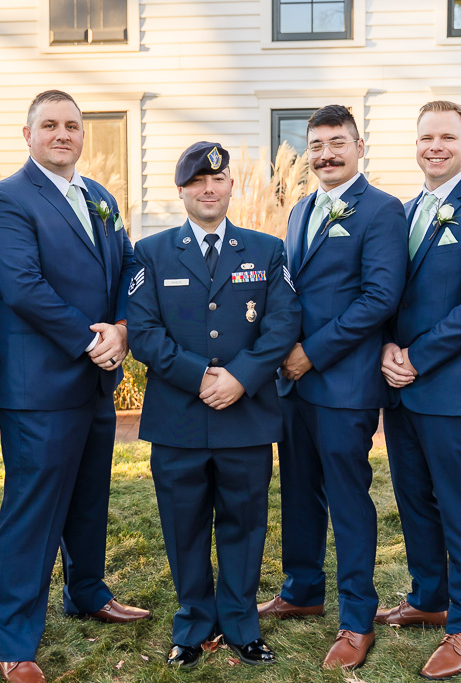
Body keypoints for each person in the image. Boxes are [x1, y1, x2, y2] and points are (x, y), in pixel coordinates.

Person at [0, 90, 146, 683]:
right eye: (49, 125)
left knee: (89, 496)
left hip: (97, 376)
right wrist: (89, 339)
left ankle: (88, 592)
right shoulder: (4, 201)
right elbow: (22, 286)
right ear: (27, 135)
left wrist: (123, 328)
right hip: (39, 384)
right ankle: (15, 640)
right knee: (34, 510)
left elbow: (129, 268)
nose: (62, 134)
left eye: (72, 125)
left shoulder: (100, 197)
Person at [127, 141, 301, 669]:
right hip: (178, 417)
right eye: (197, 181)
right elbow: (143, 331)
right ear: (181, 190)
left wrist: (242, 378)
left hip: (244, 416)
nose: (209, 188)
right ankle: (193, 623)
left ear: (230, 187)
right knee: (184, 525)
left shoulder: (267, 250)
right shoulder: (150, 253)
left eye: (218, 181)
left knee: (245, 524)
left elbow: (283, 324)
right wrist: (199, 375)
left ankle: (242, 623)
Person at [258, 104, 407, 670]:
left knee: (347, 499)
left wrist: (310, 355)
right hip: (293, 383)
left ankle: (356, 618)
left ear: (359, 145)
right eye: (316, 144)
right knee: (297, 490)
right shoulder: (299, 210)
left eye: (337, 142)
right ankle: (301, 590)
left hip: (343, 384)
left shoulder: (382, 210)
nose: (325, 154)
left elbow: (378, 299)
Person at [375, 100, 461, 679]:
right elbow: (385, 291)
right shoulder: (404, 211)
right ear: (416, 144)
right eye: (425, 137)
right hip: (399, 385)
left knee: (458, 505)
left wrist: (418, 355)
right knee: (412, 497)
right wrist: (387, 346)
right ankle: (428, 596)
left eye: (447, 138)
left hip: (451, 386)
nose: (435, 146)